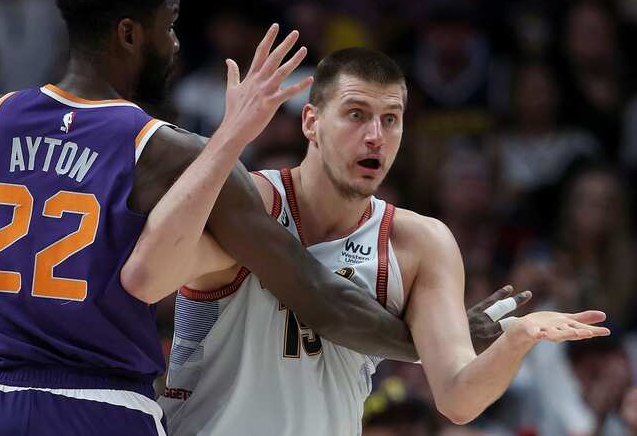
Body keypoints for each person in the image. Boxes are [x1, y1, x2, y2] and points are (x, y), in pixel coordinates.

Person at [0, 0, 526, 434]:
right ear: (128, 33)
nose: (174, 42)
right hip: (104, 404)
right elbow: (318, 297)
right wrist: (438, 341)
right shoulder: (163, 149)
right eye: (168, 26)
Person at [137, 48, 611, 435]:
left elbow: (459, 399)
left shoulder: (420, 242)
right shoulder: (248, 204)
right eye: (356, 115)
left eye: (391, 119)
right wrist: (229, 137)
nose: (374, 137)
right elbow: (149, 278)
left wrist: (517, 339)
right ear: (310, 123)